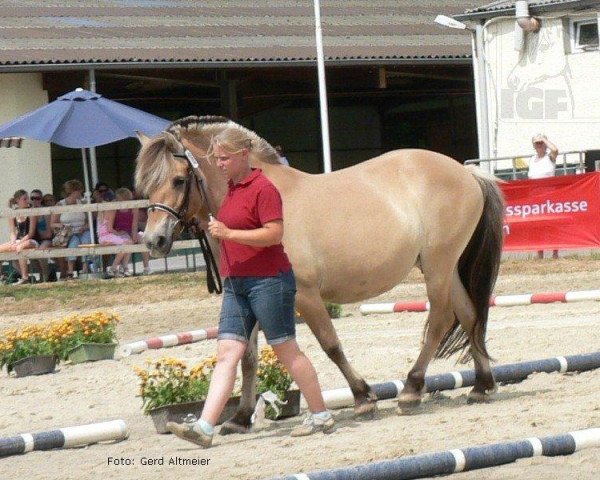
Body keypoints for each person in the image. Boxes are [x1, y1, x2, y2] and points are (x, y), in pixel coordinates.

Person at [167, 129, 334, 448]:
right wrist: (209, 225)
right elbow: (231, 226)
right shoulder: (230, 190)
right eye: (216, 158)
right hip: (236, 282)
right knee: (227, 353)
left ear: (244, 155)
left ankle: (320, 413)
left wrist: (229, 233)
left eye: (224, 158)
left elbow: (273, 234)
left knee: (287, 351)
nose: (219, 164)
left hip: (268, 281)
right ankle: (205, 426)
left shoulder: (263, 188)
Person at [50, 180, 92, 279]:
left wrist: (85, 227)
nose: (80, 193)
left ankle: (85, 268)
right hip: (68, 233)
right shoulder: (60, 205)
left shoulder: (83, 203)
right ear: (72, 191)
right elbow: (52, 223)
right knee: (73, 243)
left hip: (83, 230)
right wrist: (64, 226)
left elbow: (89, 220)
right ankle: (70, 270)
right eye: (78, 190)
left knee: (87, 240)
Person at [528, 134, 559, 260]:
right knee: (537, 225)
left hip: (548, 196)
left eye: (541, 143)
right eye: (537, 143)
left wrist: (544, 140)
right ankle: (539, 253)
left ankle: (555, 253)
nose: (539, 145)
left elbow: (555, 150)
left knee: (551, 224)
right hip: (535, 196)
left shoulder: (550, 157)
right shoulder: (531, 159)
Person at [112, 187, 152, 275]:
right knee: (127, 241)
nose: (117, 199)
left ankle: (146, 267)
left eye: (118, 198)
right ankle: (124, 267)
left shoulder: (134, 207)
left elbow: (134, 224)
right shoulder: (115, 207)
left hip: (131, 230)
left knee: (143, 238)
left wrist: (134, 234)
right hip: (119, 232)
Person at [97, 188, 133, 277]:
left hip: (102, 237)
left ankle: (123, 268)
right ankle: (114, 268)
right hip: (107, 236)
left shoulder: (101, 211)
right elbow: (109, 229)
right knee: (127, 243)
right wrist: (118, 233)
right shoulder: (111, 210)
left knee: (128, 242)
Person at [8, 190, 38, 285]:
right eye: (24, 199)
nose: (27, 201)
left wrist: (19, 242)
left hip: (31, 240)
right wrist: (13, 242)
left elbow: (31, 233)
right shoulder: (13, 214)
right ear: (17, 200)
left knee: (19, 248)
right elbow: (13, 232)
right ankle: (2, 276)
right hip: (18, 240)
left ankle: (25, 278)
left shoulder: (31, 212)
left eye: (27, 198)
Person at [30, 189, 53, 281]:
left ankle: (45, 276)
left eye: (37, 198)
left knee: (40, 251)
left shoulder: (45, 212)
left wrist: (38, 236)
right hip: (35, 239)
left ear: (41, 199)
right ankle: (41, 274)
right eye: (32, 198)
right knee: (31, 254)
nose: (35, 200)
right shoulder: (29, 211)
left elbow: (49, 233)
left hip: (46, 239)